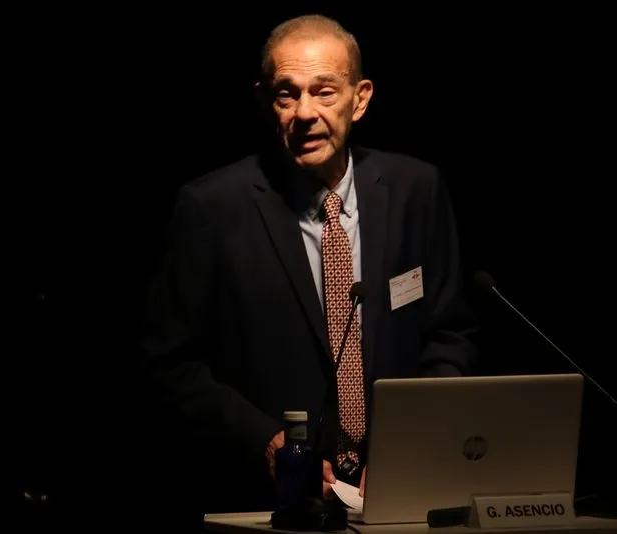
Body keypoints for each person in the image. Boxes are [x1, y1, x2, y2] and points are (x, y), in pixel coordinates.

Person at [136, 13, 478, 520]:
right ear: (263, 101)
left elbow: (450, 334)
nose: (304, 112)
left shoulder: (416, 192)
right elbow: (166, 365)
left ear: (360, 99)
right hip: (264, 505)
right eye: (286, 94)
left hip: (398, 498)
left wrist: (413, 443)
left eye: (324, 92)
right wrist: (266, 443)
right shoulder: (211, 208)